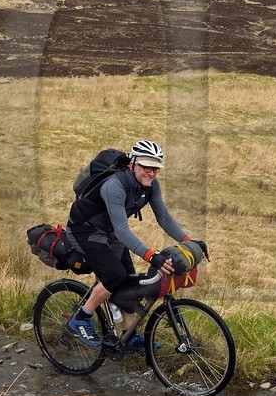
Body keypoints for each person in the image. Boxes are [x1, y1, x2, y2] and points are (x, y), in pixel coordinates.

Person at [64, 139, 202, 351]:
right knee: (114, 275)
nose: (151, 172)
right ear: (132, 164)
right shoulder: (114, 186)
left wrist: (188, 242)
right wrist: (150, 255)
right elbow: (122, 231)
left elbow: (163, 217)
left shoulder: (151, 185)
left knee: (129, 281)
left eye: (155, 168)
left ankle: (129, 338)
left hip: (109, 231)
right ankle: (81, 318)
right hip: (85, 229)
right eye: (146, 166)